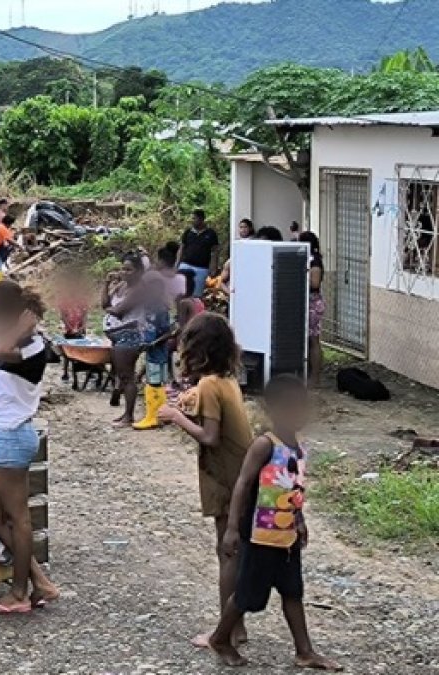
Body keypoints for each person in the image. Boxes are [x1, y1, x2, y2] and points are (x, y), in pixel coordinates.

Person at [207, 375, 341, 671]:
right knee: (247, 594)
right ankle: (220, 637)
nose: (298, 413)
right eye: (290, 407)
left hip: (287, 535)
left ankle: (304, 650)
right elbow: (242, 484)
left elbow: (294, 487)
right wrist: (231, 528)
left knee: (293, 591)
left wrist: (300, 520)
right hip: (259, 534)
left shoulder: (300, 446)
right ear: (273, 409)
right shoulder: (265, 445)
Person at [157, 312, 252, 649]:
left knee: (227, 552)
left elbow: (210, 437)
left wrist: (176, 417)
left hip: (229, 478)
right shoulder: (226, 381)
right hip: (241, 473)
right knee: (235, 552)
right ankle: (236, 628)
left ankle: (224, 632)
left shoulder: (211, 385)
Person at [0, 281, 60, 614]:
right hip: (2, 436)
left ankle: (20, 593)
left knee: (19, 519)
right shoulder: (18, 341)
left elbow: (0, 351)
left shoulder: (31, 346)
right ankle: (38, 581)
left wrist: (23, 325)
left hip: (12, 435)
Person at [102, 254, 147, 426]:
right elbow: (105, 303)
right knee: (122, 374)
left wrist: (109, 308)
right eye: (123, 269)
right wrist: (106, 284)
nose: (124, 273)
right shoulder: (121, 286)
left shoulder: (139, 291)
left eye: (129, 269)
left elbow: (119, 311)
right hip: (119, 336)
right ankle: (125, 414)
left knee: (127, 377)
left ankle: (129, 416)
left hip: (130, 335)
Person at [133, 271, 173, 431]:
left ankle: (153, 417)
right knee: (154, 383)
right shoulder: (149, 307)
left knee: (154, 384)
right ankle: (159, 415)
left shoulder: (161, 310)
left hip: (158, 352)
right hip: (151, 351)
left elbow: (169, 332)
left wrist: (154, 343)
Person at [298, 232, 326, 387]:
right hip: (307, 302)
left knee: (313, 340)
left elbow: (314, 284)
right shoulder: (308, 258)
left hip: (313, 303)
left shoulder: (314, 261)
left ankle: (315, 378)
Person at [176, 209, 220, 298]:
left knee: (196, 295)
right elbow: (181, 248)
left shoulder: (211, 233)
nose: (192, 221)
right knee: (181, 292)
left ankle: (194, 311)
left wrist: (213, 267)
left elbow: (215, 251)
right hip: (186, 265)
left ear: (201, 219)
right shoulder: (188, 232)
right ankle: (181, 310)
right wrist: (177, 264)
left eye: (194, 218)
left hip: (201, 268)